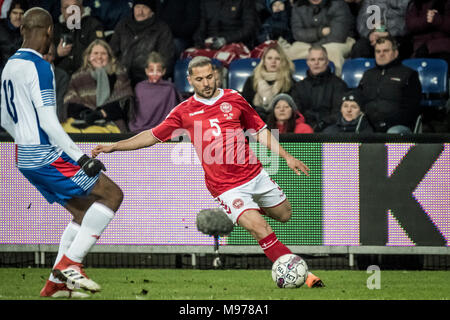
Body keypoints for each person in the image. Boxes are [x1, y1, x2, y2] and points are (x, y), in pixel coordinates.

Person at [92, 56, 324, 288]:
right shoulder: (183, 111)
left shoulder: (234, 98)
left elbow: (259, 130)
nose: (206, 83)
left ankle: (248, 211)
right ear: (190, 80)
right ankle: (305, 277)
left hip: (254, 174)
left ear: (216, 74)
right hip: (225, 187)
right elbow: (151, 135)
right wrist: (115, 146)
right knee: (260, 228)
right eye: (200, 79)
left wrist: (287, 157)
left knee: (285, 215)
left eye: (210, 77)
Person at [0, 7, 123, 298]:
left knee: (83, 211)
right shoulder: (41, 67)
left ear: (21, 30)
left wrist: (24, 141)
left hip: (23, 155)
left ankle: (55, 284)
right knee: (112, 195)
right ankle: (72, 264)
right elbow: (48, 120)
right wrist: (81, 158)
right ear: (50, 32)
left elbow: (4, 117)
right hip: (44, 153)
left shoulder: (9, 65)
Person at [62, 39, 134, 133]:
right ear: (88, 57)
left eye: (103, 53)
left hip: (111, 121)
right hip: (82, 120)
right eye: (95, 53)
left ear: (109, 56)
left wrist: (100, 114)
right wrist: (85, 113)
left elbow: (123, 103)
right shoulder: (78, 76)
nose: (99, 57)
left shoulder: (119, 75)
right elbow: (70, 102)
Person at [357, 36, 422, 133]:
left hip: (397, 127)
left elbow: (411, 108)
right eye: (378, 51)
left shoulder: (409, 74)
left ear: (395, 53)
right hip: (369, 126)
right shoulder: (367, 75)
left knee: (393, 133)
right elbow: (359, 99)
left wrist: (386, 123)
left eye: (386, 51)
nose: (381, 54)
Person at [109, 0, 175, 87]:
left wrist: (151, 73)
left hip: (147, 79)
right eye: (137, 7)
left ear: (152, 12)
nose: (140, 12)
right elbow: (111, 51)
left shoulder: (162, 29)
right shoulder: (123, 25)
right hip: (121, 77)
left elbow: (166, 59)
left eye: (144, 8)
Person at [283, 0, 355, 76]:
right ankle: (292, 85)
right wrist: (320, 32)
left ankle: (335, 83)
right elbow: (297, 33)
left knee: (333, 52)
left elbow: (338, 35)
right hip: (308, 44)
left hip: (338, 42)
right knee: (292, 51)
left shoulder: (338, 4)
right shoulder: (299, 6)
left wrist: (315, 48)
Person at [291, 45, 348, 132]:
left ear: (327, 62)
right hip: (305, 127)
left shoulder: (339, 85)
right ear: (308, 62)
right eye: (312, 60)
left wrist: (322, 124)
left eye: (320, 59)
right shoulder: (298, 87)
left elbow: (338, 113)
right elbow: (297, 113)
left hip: (330, 127)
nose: (316, 63)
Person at [128, 51, 182, 134]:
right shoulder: (140, 87)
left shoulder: (169, 88)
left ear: (164, 71)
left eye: (158, 71)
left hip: (163, 128)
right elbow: (136, 111)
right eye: (151, 70)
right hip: (141, 128)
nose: (155, 74)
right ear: (146, 71)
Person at [242, 43, 295, 121]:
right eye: (269, 58)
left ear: (282, 62)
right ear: (264, 61)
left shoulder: (289, 82)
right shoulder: (252, 81)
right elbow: (245, 107)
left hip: (279, 125)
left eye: (277, 58)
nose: (273, 61)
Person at [53, 0, 105, 76]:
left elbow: (99, 56)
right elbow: (44, 59)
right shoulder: (55, 29)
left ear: (81, 8)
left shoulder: (93, 25)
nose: (70, 11)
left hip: (86, 77)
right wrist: (57, 53)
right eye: (66, 7)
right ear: (61, 10)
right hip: (60, 80)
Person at [192, 0, 259, 51]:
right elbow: (201, 27)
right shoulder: (206, 2)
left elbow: (249, 28)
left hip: (235, 43)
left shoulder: (244, 1)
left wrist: (226, 40)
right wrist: (200, 41)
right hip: (210, 43)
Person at [405, 0, 450, 67]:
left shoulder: (447, 3)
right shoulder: (415, 4)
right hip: (420, 46)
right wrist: (427, 19)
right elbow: (410, 24)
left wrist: (438, 19)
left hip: (443, 46)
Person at [43, 42, 70, 122]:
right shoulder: (28, 74)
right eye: (42, 53)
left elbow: (59, 103)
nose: (45, 57)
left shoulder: (61, 76)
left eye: (49, 54)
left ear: (54, 57)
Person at [0, 0, 28, 71]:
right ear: (9, 14)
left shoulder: (29, 32)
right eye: (15, 13)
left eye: (21, 13)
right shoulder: (1, 28)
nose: (18, 17)